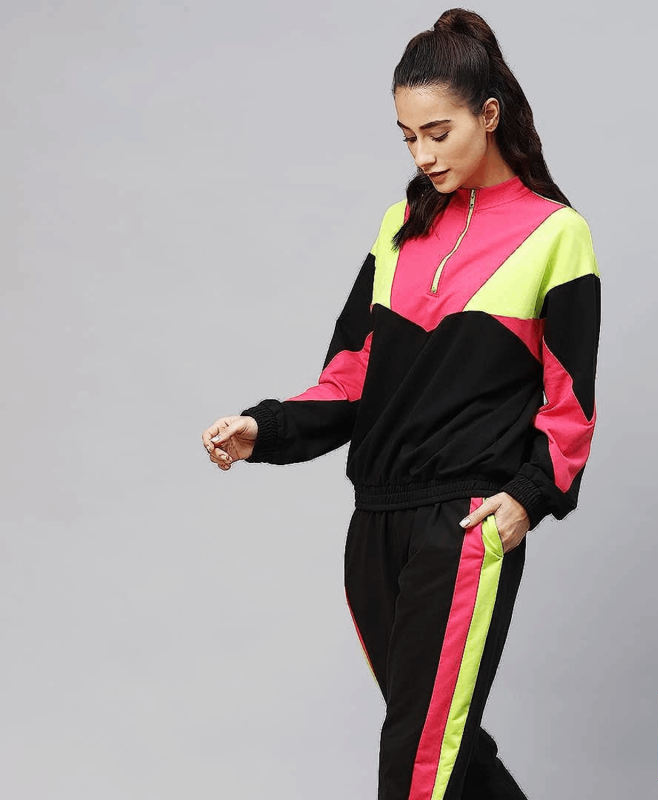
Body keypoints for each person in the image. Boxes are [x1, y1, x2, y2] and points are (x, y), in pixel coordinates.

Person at [201, 8, 601, 799]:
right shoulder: (397, 228)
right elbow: (351, 374)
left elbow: (570, 406)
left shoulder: (557, 235)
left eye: (439, 133)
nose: (423, 155)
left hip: (463, 523)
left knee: (418, 760)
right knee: (450, 750)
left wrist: (528, 498)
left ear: (490, 115)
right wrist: (265, 427)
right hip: (374, 524)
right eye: (408, 136)